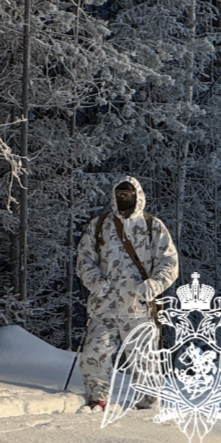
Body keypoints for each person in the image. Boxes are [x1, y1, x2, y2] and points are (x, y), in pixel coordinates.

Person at [76, 176, 178, 411]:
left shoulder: (153, 226)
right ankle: (97, 398)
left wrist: (152, 286)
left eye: (128, 194)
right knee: (94, 353)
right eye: (120, 194)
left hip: (139, 308)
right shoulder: (99, 226)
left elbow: (169, 263)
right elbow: (84, 259)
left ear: (138, 195)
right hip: (103, 306)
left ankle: (147, 405)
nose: (124, 198)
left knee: (145, 360)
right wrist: (96, 283)